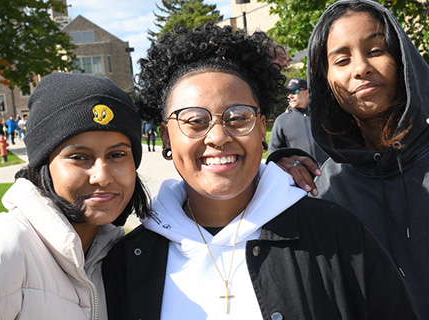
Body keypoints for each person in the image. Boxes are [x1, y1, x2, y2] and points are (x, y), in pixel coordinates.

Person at [102, 23, 415, 319]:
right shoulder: (127, 259)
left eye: (238, 117)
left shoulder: (336, 234)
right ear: (167, 135)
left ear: (262, 127)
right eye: (195, 120)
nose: (218, 136)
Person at [268, 0, 429, 318]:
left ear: (402, 59)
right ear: (324, 80)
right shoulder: (324, 191)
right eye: (341, 60)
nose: (360, 68)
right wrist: (273, 178)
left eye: (375, 51)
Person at [0, 72, 150, 319]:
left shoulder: (122, 256)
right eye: (79, 157)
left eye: (117, 155)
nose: (102, 176)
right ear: (44, 165)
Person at [269, 78, 328, 166]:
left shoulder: (324, 115)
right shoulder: (281, 121)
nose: (290, 96)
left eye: (295, 92)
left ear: (307, 92)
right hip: (301, 177)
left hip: (329, 175)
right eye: (288, 93)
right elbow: (275, 153)